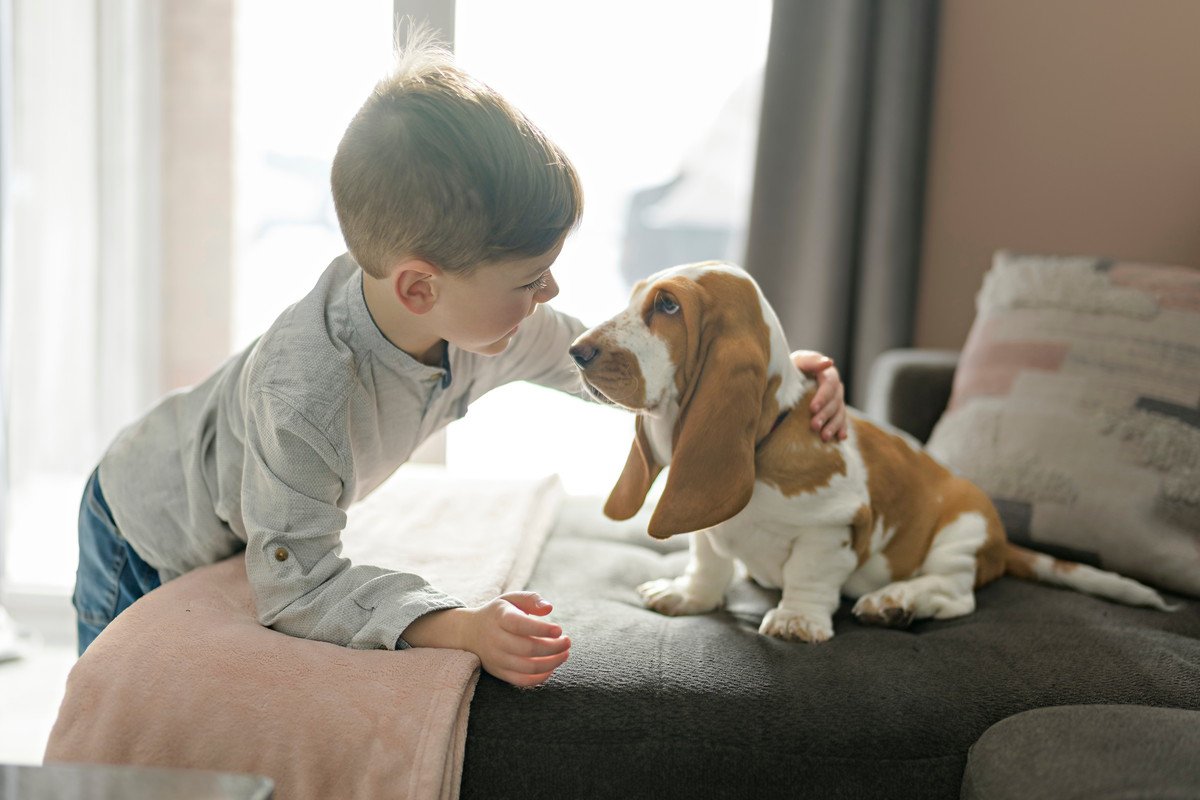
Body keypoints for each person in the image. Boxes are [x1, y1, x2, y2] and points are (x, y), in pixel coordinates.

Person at [72, 32, 848, 686]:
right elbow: (297, 580)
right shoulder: (305, 393)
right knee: (122, 717)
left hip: (251, 505)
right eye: (527, 279)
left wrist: (777, 380)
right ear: (420, 288)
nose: (551, 291)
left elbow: (605, 363)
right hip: (144, 525)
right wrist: (460, 626)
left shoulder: (488, 323)